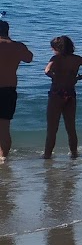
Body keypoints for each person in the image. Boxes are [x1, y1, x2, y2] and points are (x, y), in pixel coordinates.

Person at [43, 35, 82, 159]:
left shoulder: (56, 58)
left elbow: (47, 71)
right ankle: (74, 155)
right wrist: (79, 77)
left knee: (52, 129)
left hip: (56, 94)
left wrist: (56, 77)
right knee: (71, 127)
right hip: (70, 94)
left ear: (57, 48)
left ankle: (47, 156)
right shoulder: (77, 59)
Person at [0, 20, 33, 162]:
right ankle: (4, 159)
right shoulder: (18, 47)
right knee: (4, 127)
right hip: (9, 89)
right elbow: (29, 58)